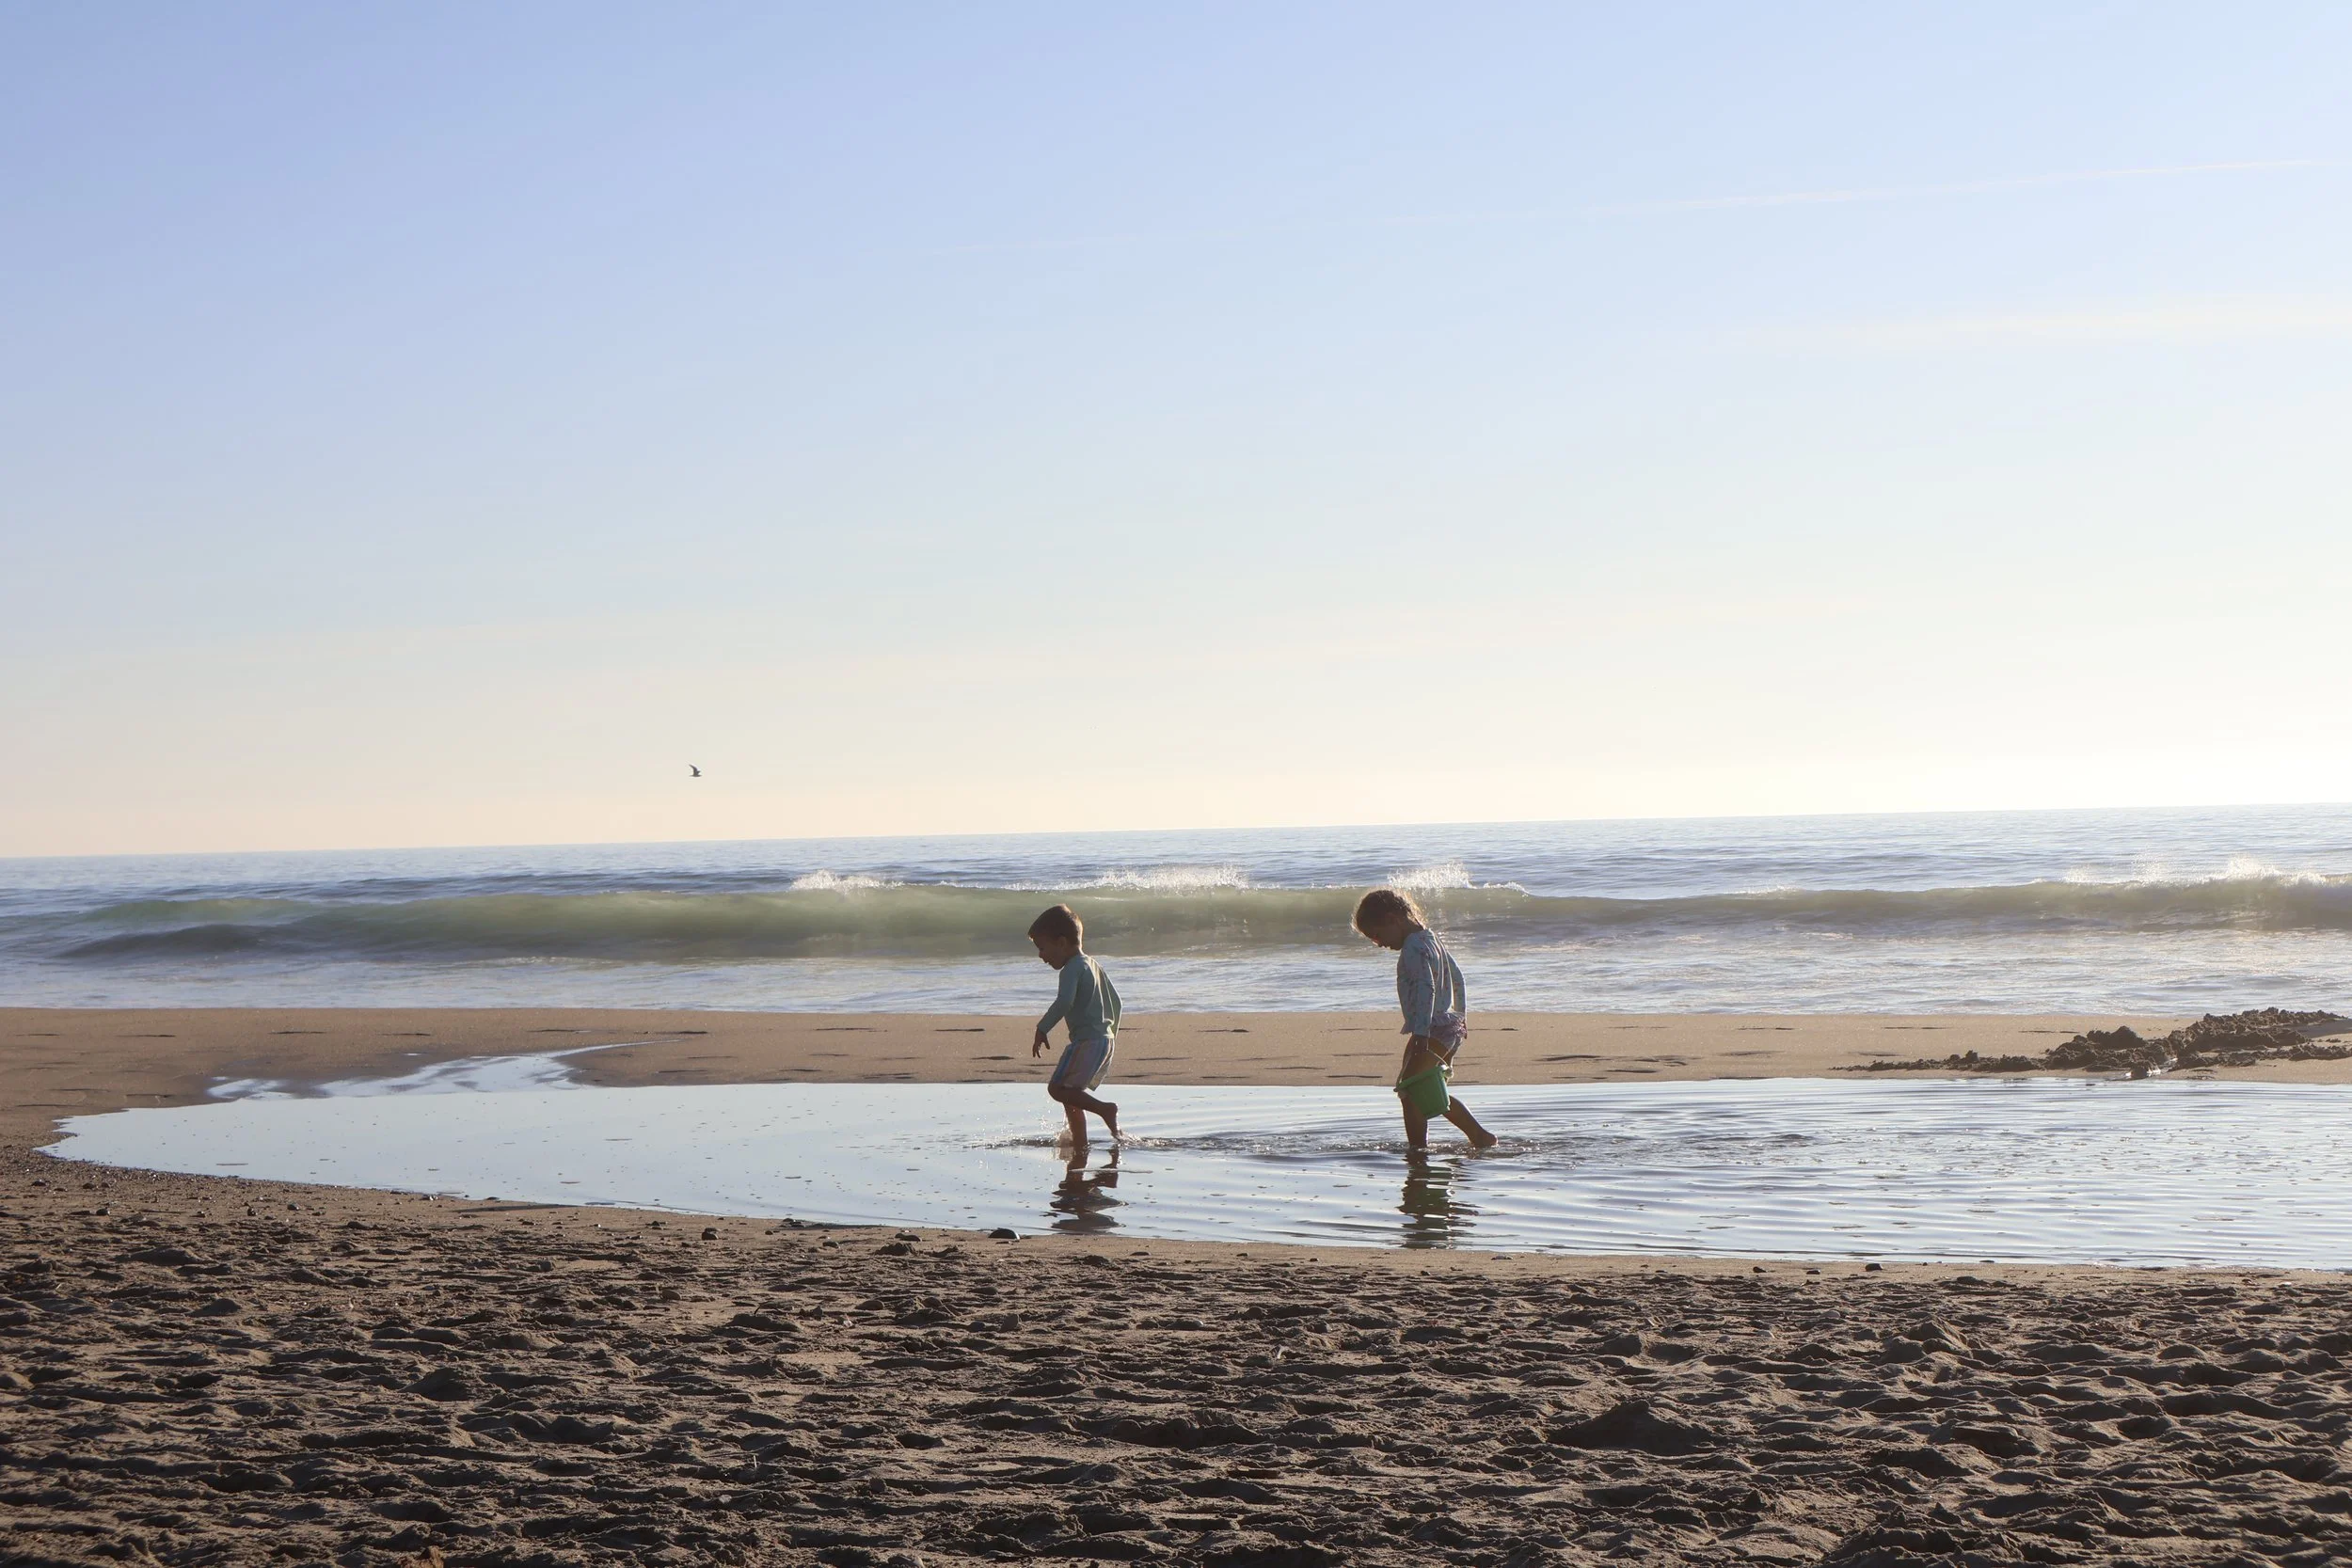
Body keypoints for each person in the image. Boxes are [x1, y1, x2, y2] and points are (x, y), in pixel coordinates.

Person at [1352, 888, 1497, 1152]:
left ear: (1393, 919)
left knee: (1410, 1091)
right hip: (1448, 1026)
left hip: (1431, 1030)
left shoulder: (1412, 948)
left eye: (1377, 935)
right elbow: (1458, 978)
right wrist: (1462, 1020)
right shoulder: (1430, 938)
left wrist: (1420, 1034)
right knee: (1425, 1088)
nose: (1379, 943)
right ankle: (1478, 1137)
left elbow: (1426, 987)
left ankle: (1419, 1150)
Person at [1028, 904, 1122, 1148]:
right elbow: (1117, 1002)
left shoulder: (1071, 969)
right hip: (1102, 1039)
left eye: (1042, 947)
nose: (1041, 956)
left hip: (1088, 1042)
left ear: (1061, 943)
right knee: (1071, 1095)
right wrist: (1109, 1035)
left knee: (1057, 1089)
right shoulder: (1092, 964)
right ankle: (1080, 1143)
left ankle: (1105, 1110)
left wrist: (1043, 1027)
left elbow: (1064, 1002)